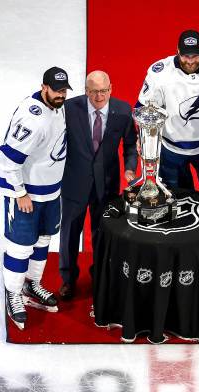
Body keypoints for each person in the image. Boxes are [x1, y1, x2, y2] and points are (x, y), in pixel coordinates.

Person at [0, 66, 70, 330]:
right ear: (44, 88)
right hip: (26, 194)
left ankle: (32, 284)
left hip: (50, 191)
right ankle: (13, 292)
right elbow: (6, 159)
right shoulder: (32, 119)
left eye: (64, 90)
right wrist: (20, 193)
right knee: (20, 245)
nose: (61, 95)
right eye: (56, 90)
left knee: (43, 240)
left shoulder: (57, 107)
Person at [59, 70, 137, 300]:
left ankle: (101, 276)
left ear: (111, 89)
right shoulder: (69, 109)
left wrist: (130, 168)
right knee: (69, 234)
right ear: (86, 91)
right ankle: (68, 279)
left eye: (104, 91)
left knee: (102, 233)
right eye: (94, 92)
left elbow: (131, 145)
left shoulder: (123, 110)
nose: (99, 96)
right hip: (74, 183)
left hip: (107, 184)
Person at [136, 29, 199, 195]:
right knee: (178, 198)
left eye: (195, 56)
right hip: (171, 148)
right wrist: (141, 137)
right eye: (186, 56)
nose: (190, 61)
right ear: (177, 50)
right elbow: (144, 108)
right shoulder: (160, 72)